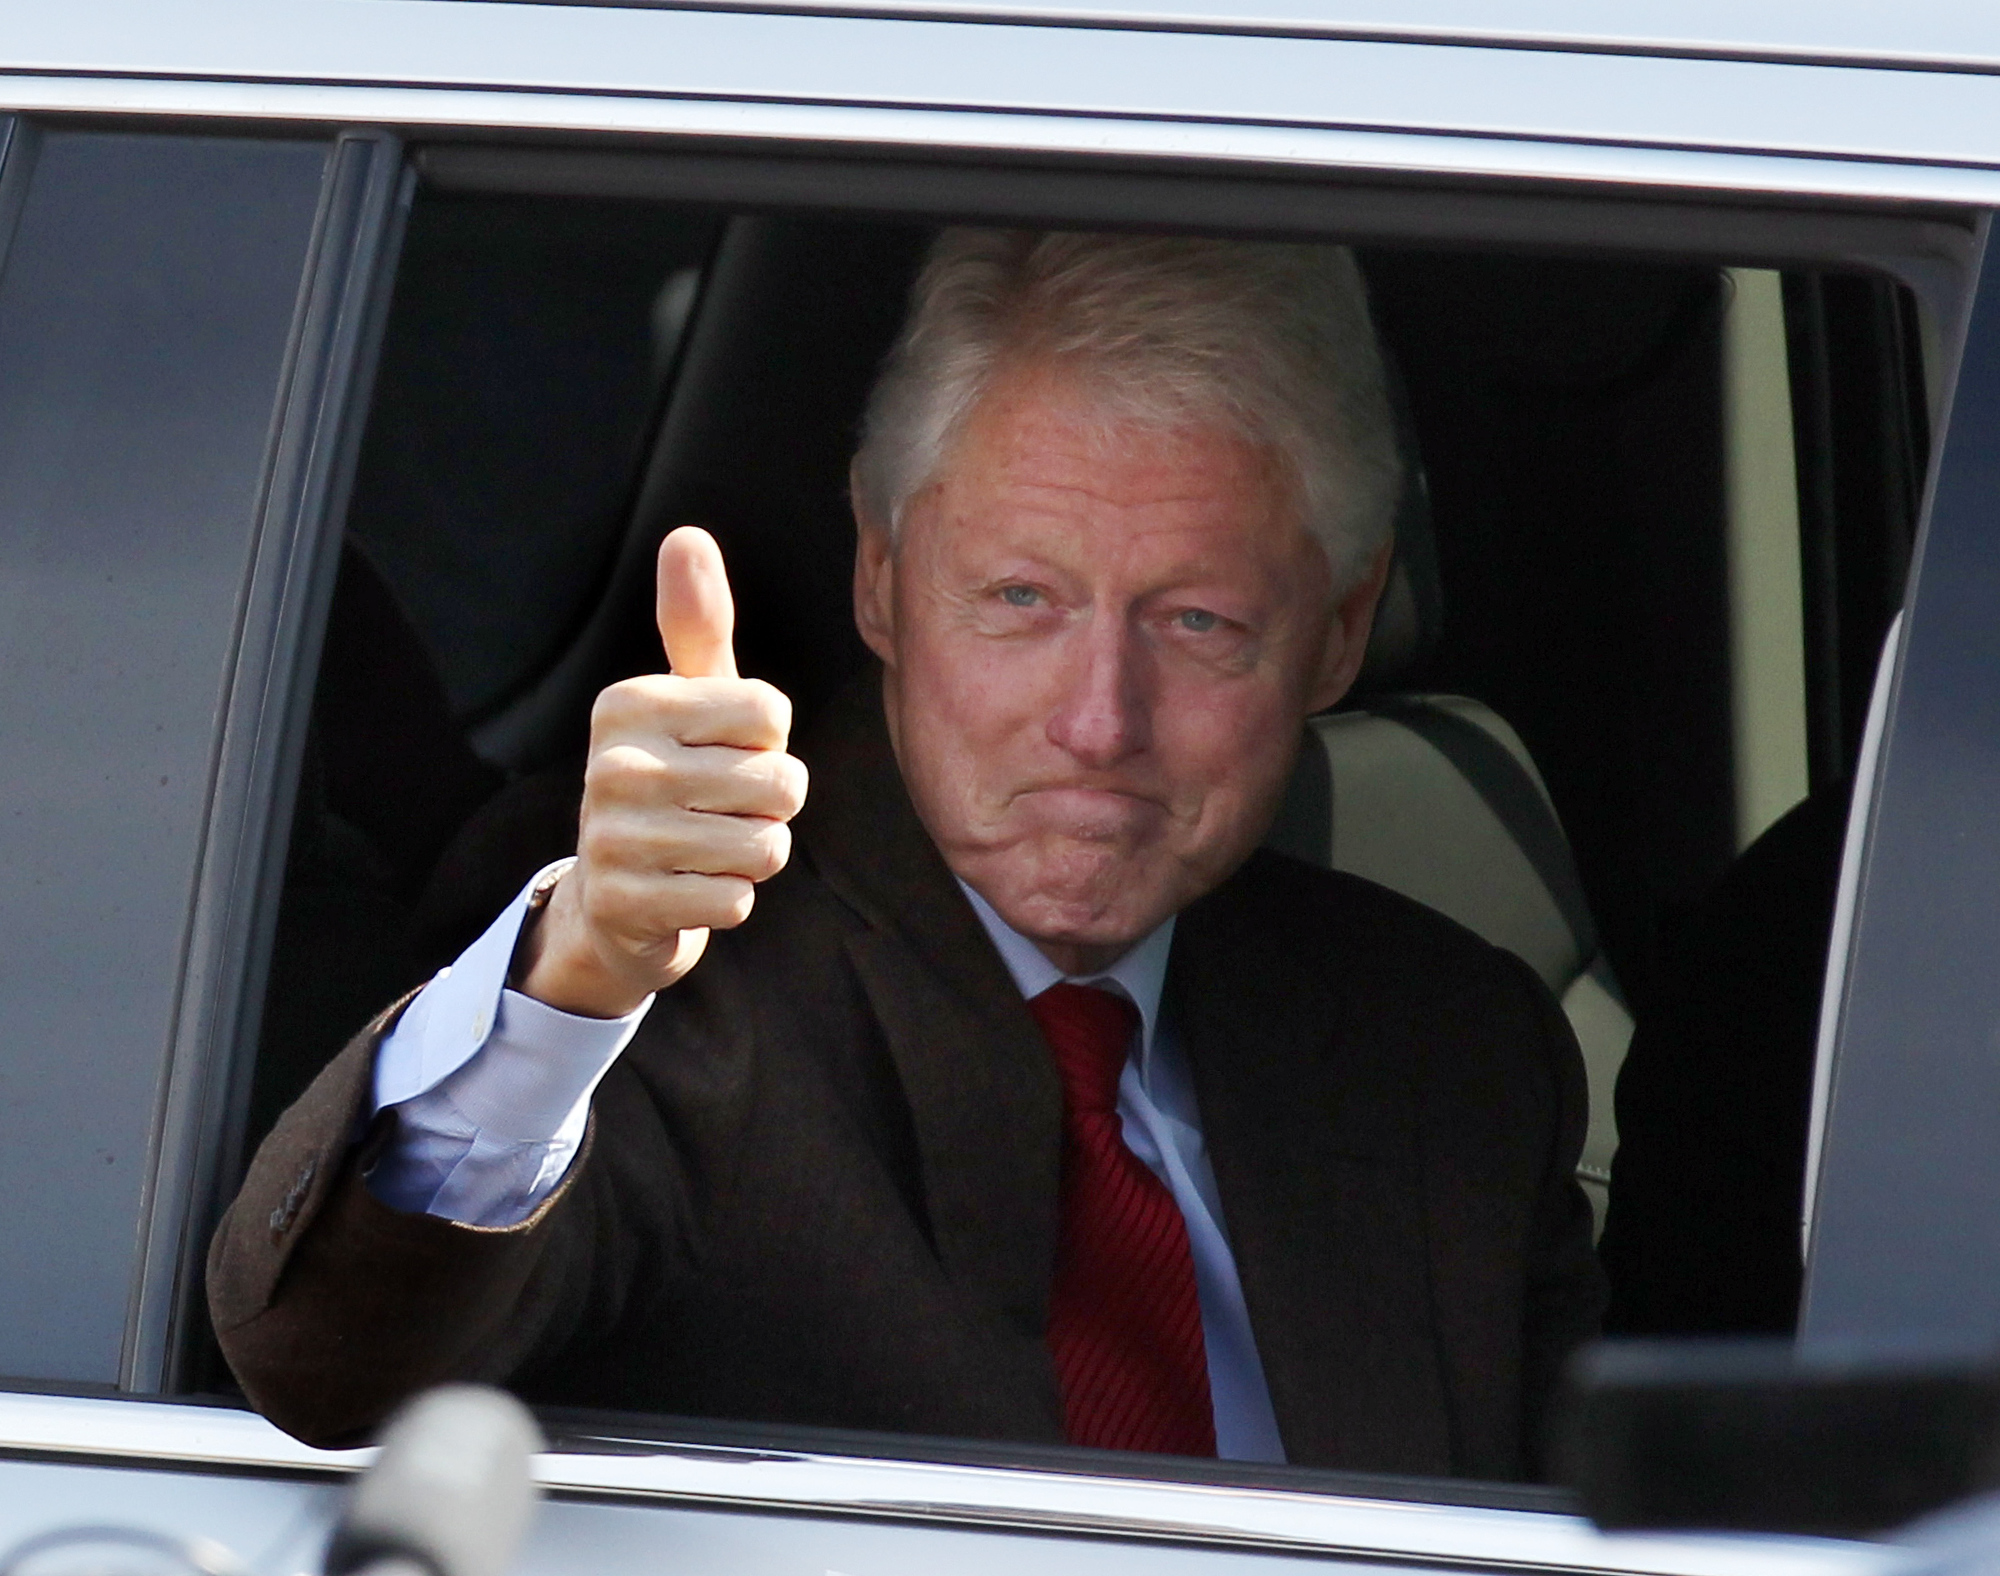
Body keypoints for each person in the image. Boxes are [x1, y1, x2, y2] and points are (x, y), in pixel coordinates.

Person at [210, 229, 1603, 1478]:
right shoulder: (668, 964)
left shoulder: (1454, 1055)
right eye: (1021, 597)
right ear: (881, 577)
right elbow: (333, 1363)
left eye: (1200, 623)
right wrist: (570, 988)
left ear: (1341, 632)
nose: (1099, 723)